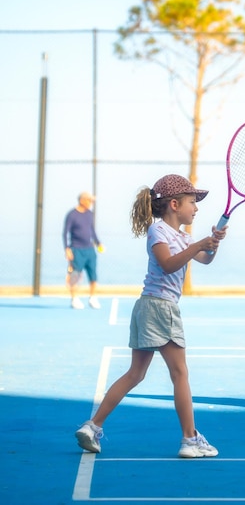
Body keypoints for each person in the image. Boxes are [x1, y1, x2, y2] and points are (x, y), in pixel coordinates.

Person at [75, 174, 227, 458]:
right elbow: (168, 265)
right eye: (192, 202)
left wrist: (212, 245)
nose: (196, 208)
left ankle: (93, 426)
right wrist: (198, 245)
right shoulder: (158, 232)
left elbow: (204, 259)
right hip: (160, 307)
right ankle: (189, 439)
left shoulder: (183, 236)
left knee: (136, 373)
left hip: (149, 308)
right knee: (180, 373)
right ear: (173, 204)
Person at [63, 191, 104, 310]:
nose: (91, 203)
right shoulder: (72, 215)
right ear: (82, 200)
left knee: (93, 275)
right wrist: (67, 249)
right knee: (75, 275)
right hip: (76, 250)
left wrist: (98, 243)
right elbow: (65, 233)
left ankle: (92, 298)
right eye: (89, 200)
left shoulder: (90, 214)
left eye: (91, 201)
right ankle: (74, 299)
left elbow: (92, 231)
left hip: (90, 250)